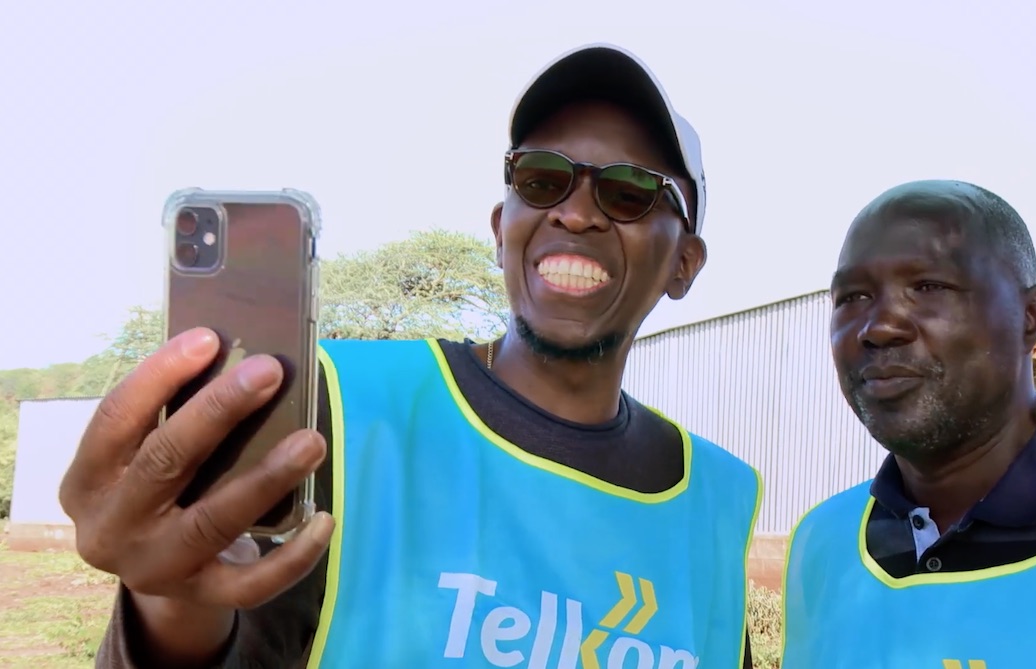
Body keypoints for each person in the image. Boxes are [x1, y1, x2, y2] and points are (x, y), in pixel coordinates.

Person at [62, 43, 762, 669]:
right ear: (502, 229)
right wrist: (169, 612)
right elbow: (209, 613)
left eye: (629, 192)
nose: (575, 214)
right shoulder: (330, 410)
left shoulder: (717, 501)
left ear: (685, 263)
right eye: (542, 179)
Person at [780, 180, 1036, 668]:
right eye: (852, 296)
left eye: (928, 287)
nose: (880, 326)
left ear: (1029, 316)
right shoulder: (824, 543)